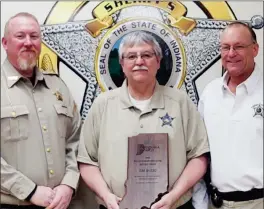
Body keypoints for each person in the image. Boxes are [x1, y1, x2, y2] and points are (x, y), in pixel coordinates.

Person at [77, 30, 209, 209]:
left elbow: (199, 156)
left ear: (158, 61)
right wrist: (106, 196)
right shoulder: (103, 104)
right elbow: (86, 161)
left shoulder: (180, 102)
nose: (139, 61)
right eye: (131, 56)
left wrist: (174, 196)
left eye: (147, 55)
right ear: (122, 64)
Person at [1, 12, 81, 209]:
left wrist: (68, 184)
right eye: (20, 36)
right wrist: (30, 190)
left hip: (62, 203)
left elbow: (76, 141)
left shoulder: (58, 87)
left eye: (34, 36)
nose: (28, 42)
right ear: (5, 43)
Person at [199, 22, 263, 209]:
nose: (231, 53)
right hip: (216, 203)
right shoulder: (210, 92)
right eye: (226, 47)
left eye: (239, 46)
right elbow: (200, 149)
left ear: (255, 49)